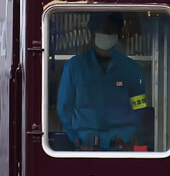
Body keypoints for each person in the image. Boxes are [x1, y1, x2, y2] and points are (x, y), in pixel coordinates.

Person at [56, 12, 151, 150]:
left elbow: (139, 106)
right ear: (92, 31)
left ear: (118, 34)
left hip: (121, 146)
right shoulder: (74, 67)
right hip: (85, 146)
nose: (106, 33)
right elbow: (64, 108)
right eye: (102, 29)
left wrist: (127, 134)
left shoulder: (132, 69)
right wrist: (76, 137)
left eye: (111, 30)